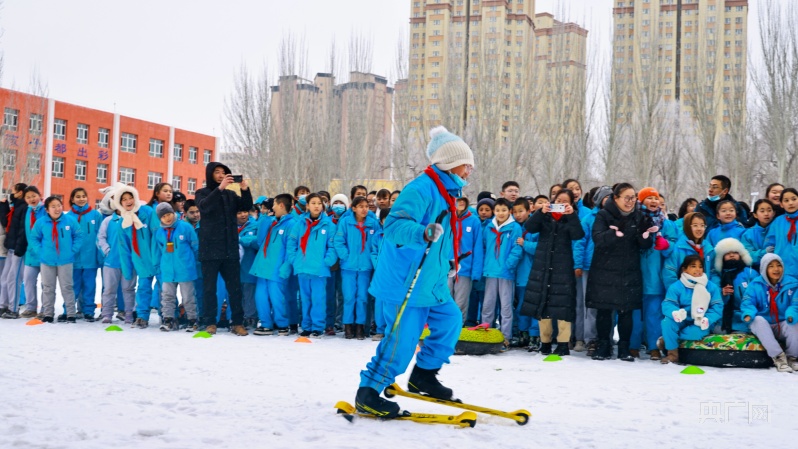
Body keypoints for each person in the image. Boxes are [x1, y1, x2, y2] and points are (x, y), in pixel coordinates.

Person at [356, 126, 474, 418]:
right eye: (466, 163)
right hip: (405, 281)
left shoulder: (446, 191)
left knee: (450, 320)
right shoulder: (421, 188)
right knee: (401, 340)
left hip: (430, 282)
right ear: (449, 163)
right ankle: (369, 392)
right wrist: (422, 232)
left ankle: (424, 375)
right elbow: (393, 226)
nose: (470, 169)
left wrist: (447, 259)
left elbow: (442, 236)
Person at [586, 183, 656, 362]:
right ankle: (604, 345)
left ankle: (624, 347)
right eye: (627, 197)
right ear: (615, 198)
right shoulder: (603, 215)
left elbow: (645, 245)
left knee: (626, 311)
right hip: (604, 269)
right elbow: (598, 239)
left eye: (633, 198)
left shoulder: (639, 216)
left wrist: (645, 237)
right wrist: (612, 235)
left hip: (628, 270)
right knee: (604, 310)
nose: (630, 201)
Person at [520, 189, 585, 356]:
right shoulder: (545, 216)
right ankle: (545, 342)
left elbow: (578, 235)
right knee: (543, 304)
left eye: (566, 202)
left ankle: (563, 343)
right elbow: (529, 227)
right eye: (558, 200)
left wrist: (571, 216)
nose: (561, 203)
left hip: (562, 267)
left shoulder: (572, 218)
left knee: (563, 306)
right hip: (542, 266)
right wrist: (540, 213)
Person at [194, 162, 253, 336]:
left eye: (224, 173)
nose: (221, 175)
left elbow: (245, 206)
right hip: (210, 249)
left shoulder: (230, 194)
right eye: (217, 172)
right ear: (210, 174)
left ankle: (237, 322)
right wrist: (219, 188)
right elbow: (204, 206)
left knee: (235, 288)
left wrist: (244, 189)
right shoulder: (202, 193)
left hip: (229, 249)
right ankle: (210, 322)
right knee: (209, 288)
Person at [287, 193, 337, 338]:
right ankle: (307, 326)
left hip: (319, 269)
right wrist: (294, 259)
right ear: (307, 205)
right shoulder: (300, 223)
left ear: (323, 206)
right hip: (302, 267)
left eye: (319, 203)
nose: (316, 206)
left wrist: (327, 261)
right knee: (305, 298)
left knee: (318, 299)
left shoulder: (328, 225)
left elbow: (332, 246)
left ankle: (318, 326)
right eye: (313, 203)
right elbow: (291, 243)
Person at [659, 255, 723, 364]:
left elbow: (717, 306)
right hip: (682, 319)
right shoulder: (676, 286)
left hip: (701, 321)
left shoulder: (711, 287)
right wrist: (675, 312)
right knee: (667, 323)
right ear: (685, 269)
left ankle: (668, 339)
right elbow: (668, 303)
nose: (698, 270)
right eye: (693, 266)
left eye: (700, 266)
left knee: (694, 333)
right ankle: (672, 355)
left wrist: (708, 319)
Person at [635, 187, 676, 361]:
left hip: (657, 275)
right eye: (648, 198)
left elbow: (675, 245)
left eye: (656, 198)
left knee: (654, 314)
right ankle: (632, 345)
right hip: (635, 274)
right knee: (634, 314)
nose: (653, 201)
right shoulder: (635, 219)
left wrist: (666, 245)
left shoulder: (666, 224)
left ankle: (653, 346)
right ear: (641, 201)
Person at [740, 254, 798, 372]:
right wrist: (748, 313)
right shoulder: (755, 285)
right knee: (757, 320)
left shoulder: (792, 284)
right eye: (771, 266)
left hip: (782, 322)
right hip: (765, 325)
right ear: (764, 269)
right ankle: (778, 357)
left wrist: (791, 314)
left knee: (794, 324)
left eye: (778, 265)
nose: (776, 269)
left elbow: (795, 304)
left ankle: (793, 357)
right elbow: (748, 302)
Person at [30, 196, 83, 323]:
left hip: (66, 260)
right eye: (53, 206)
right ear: (47, 209)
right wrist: (41, 251)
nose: (57, 208)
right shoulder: (41, 222)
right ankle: (48, 313)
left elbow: (79, 235)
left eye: (59, 205)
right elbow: (34, 238)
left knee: (67, 287)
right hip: (47, 261)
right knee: (48, 287)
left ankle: (71, 313)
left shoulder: (70, 220)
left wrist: (72, 250)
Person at [572, 186, 611, 355]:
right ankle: (590, 339)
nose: (608, 200)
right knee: (590, 305)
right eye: (605, 197)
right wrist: (578, 264)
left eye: (611, 197)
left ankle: (607, 338)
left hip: (610, 266)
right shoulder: (589, 218)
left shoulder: (617, 218)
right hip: (590, 266)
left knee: (608, 305)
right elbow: (580, 242)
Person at [251, 194, 295, 336]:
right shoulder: (273, 222)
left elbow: (291, 248)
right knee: (261, 296)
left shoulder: (292, 224)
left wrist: (286, 266)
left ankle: (282, 324)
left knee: (277, 297)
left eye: (275, 204)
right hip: (263, 266)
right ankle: (265, 324)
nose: (273, 208)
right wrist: (264, 217)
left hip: (277, 268)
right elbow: (260, 240)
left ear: (281, 205)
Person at [481, 198, 523, 348]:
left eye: (504, 210)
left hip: (506, 272)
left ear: (509, 211)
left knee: (506, 306)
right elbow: (484, 246)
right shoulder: (488, 228)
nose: (500, 213)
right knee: (488, 305)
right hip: (490, 271)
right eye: (498, 210)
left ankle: (505, 337)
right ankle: (486, 333)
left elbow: (517, 249)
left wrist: (509, 265)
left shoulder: (515, 228)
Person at [334, 196, 378, 339]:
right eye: (360, 206)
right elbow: (339, 241)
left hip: (366, 267)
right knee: (349, 297)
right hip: (349, 267)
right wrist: (345, 256)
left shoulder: (373, 224)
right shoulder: (346, 222)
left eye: (366, 206)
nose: (364, 209)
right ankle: (347, 326)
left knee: (363, 298)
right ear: (353, 208)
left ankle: (360, 327)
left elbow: (377, 243)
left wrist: (372, 259)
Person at [153, 202, 199, 332]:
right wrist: (158, 267)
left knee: (188, 296)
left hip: (185, 269)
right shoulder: (160, 232)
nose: (167, 218)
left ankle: (192, 320)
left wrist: (193, 263)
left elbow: (195, 246)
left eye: (169, 214)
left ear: (173, 213)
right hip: (167, 270)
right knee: (167, 296)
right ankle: (168, 319)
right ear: (160, 219)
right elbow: (159, 250)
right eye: (164, 216)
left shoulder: (185, 227)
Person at [98, 186, 136, 324]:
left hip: (129, 262)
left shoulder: (133, 219)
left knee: (129, 289)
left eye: (129, 199)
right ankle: (106, 314)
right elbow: (100, 238)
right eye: (122, 200)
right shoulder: (108, 221)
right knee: (109, 290)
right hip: (111, 262)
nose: (126, 202)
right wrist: (107, 251)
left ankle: (129, 314)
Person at [67, 188, 104, 321]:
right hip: (74, 259)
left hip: (90, 258)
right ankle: (69, 310)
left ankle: (88, 310)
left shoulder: (95, 215)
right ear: (72, 199)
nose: (81, 199)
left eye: (83, 196)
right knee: (73, 285)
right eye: (78, 196)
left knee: (89, 285)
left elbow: (100, 236)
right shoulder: (68, 217)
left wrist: (99, 256)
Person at [448, 197, 483, 324]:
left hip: (465, 268)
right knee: (446, 299)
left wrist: (476, 272)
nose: (460, 203)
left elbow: (478, 248)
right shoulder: (447, 219)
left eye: (463, 201)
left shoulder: (474, 221)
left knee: (461, 302)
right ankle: (445, 328)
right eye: (458, 200)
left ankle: (458, 327)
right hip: (446, 267)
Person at [511, 198, 539, 350]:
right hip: (518, 276)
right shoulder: (513, 228)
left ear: (529, 211)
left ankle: (535, 335)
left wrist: (525, 244)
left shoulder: (535, 228)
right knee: (520, 306)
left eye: (521, 211)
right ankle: (522, 333)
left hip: (532, 275)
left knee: (533, 307)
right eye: (514, 212)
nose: (518, 215)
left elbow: (540, 248)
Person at [713, 238, 757, 334]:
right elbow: (712, 299)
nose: (732, 255)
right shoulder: (717, 276)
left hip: (745, 317)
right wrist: (722, 294)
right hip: (722, 320)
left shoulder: (750, 273)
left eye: (735, 252)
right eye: (728, 253)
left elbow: (759, 296)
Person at [662, 212, 714, 289]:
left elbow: (713, 272)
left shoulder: (708, 249)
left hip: (704, 294)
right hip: (684, 296)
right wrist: (681, 294)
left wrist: (712, 290)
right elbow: (669, 274)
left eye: (702, 226)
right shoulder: (678, 248)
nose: (699, 229)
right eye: (695, 225)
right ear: (687, 227)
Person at [0, 183, 27, 318]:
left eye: (14, 191)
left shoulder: (24, 207)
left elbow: (22, 229)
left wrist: (19, 246)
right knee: (4, 278)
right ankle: (3, 305)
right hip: (10, 247)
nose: (11, 193)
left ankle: (14, 309)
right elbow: (8, 224)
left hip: (18, 248)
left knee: (14, 278)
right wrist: (3, 207)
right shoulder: (15, 206)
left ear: (20, 193)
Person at [19, 186, 47, 318]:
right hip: (30, 253)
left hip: (45, 252)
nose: (32, 199)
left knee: (46, 283)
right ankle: (31, 307)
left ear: (39, 195)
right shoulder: (28, 211)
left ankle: (45, 308)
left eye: (33, 195)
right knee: (29, 280)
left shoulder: (46, 209)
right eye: (28, 197)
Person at [764, 188, 798, 278]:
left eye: (794, 199)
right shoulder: (778, 222)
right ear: (781, 204)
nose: (791, 203)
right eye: (786, 200)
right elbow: (769, 243)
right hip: (782, 270)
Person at [370, 207, 391, 341]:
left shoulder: (398, 237)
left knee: (391, 301)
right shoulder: (378, 235)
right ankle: (380, 329)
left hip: (394, 274)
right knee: (379, 302)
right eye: (385, 219)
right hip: (380, 273)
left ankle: (390, 330)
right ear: (381, 221)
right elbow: (373, 252)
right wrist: (378, 265)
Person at [237, 209, 259, 329]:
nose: (243, 214)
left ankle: (251, 318)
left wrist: (242, 240)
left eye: (245, 212)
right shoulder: (229, 226)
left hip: (249, 266)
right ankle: (236, 317)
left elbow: (258, 241)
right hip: (234, 268)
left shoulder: (255, 226)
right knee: (235, 294)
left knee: (249, 293)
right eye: (239, 212)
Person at [741, 199, 776, 268]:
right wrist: (764, 252)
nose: (766, 214)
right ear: (755, 215)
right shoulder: (748, 234)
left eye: (769, 210)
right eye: (762, 211)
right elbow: (747, 256)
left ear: (774, 213)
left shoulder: (778, 230)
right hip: (756, 270)